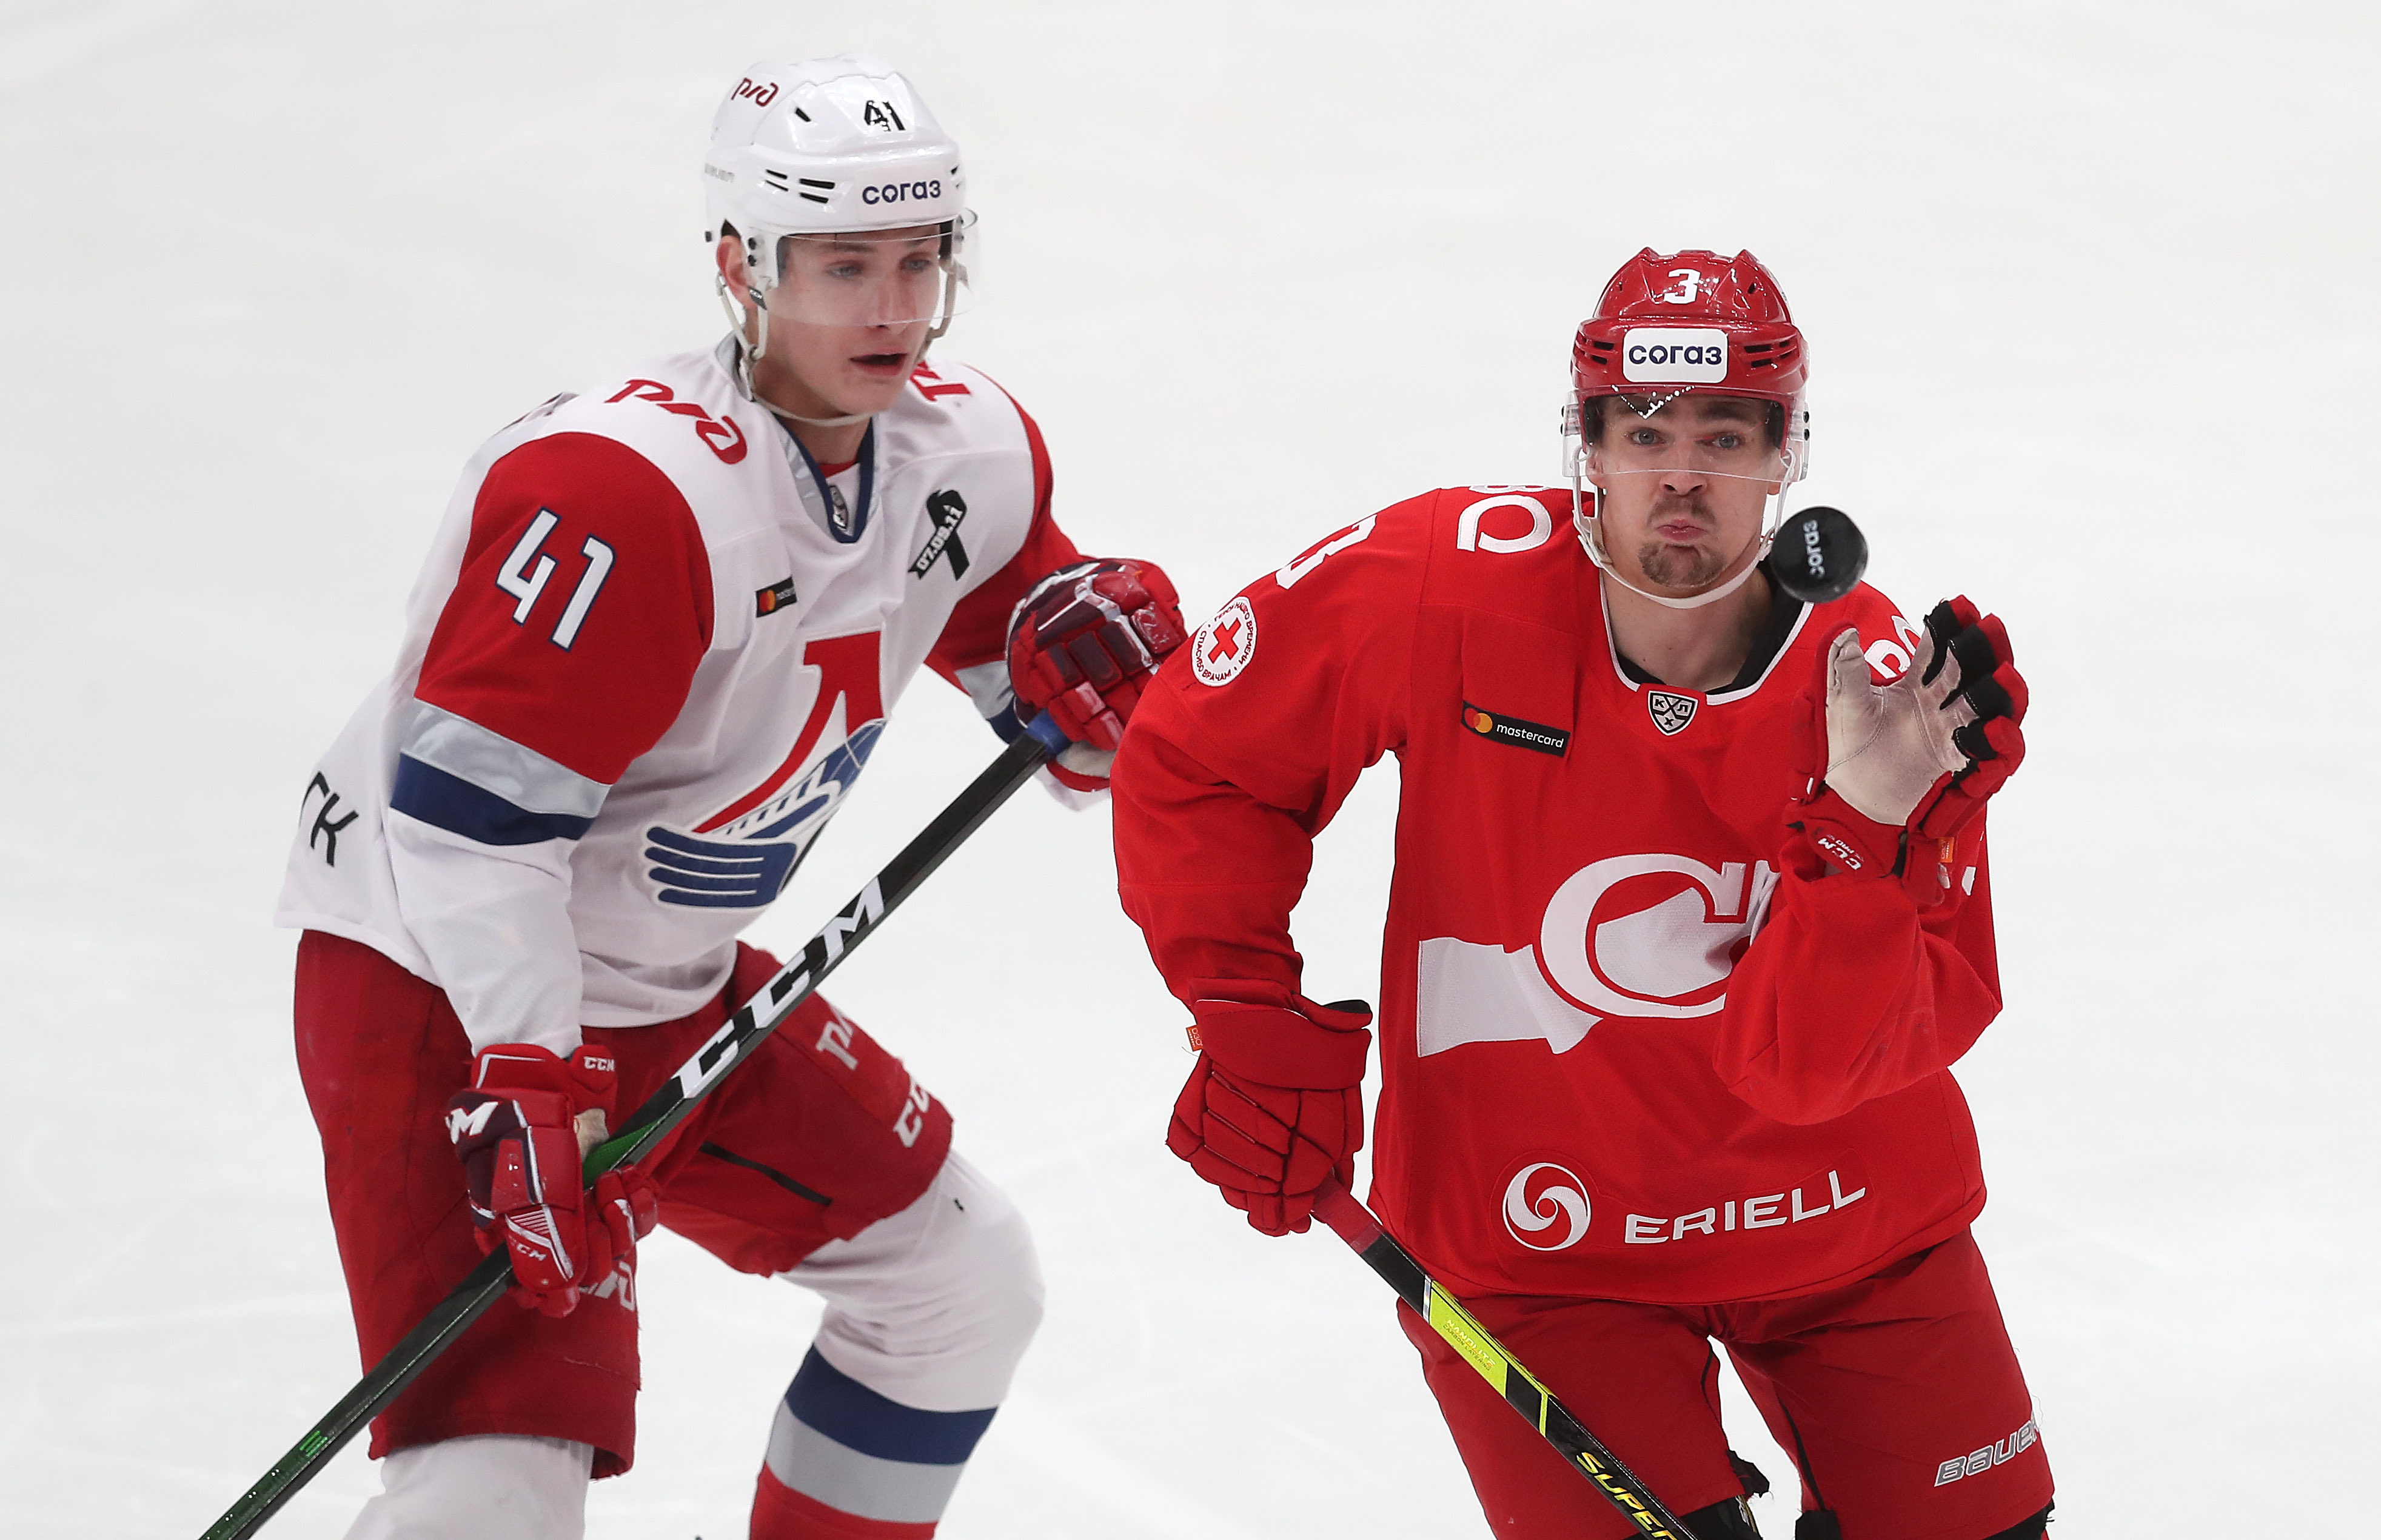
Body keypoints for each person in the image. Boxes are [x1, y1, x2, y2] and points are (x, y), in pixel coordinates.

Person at [277, 55, 1184, 1540]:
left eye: (918, 262)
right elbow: (465, 829)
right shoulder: (623, 497)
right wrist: (528, 1075)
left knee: (957, 1288)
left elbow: (1052, 710)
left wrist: (1114, 699)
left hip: (669, 990)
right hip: (447, 995)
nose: (891, 309)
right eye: (842, 267)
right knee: (500, 1477)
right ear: (738, 266)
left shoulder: (964, 454)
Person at [1111, 248, 2048, 1540]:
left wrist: (1863, 833)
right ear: (1586, 448)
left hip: (1850, 1228)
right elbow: (1201, 756)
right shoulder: (1440, 583)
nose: (1681, 478)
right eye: (1644, 433)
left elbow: (1824, 1067)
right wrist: (1245, 1011)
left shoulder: (1887, 693)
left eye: (1724, 437)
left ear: (1784, 459)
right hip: (1534, 1251)